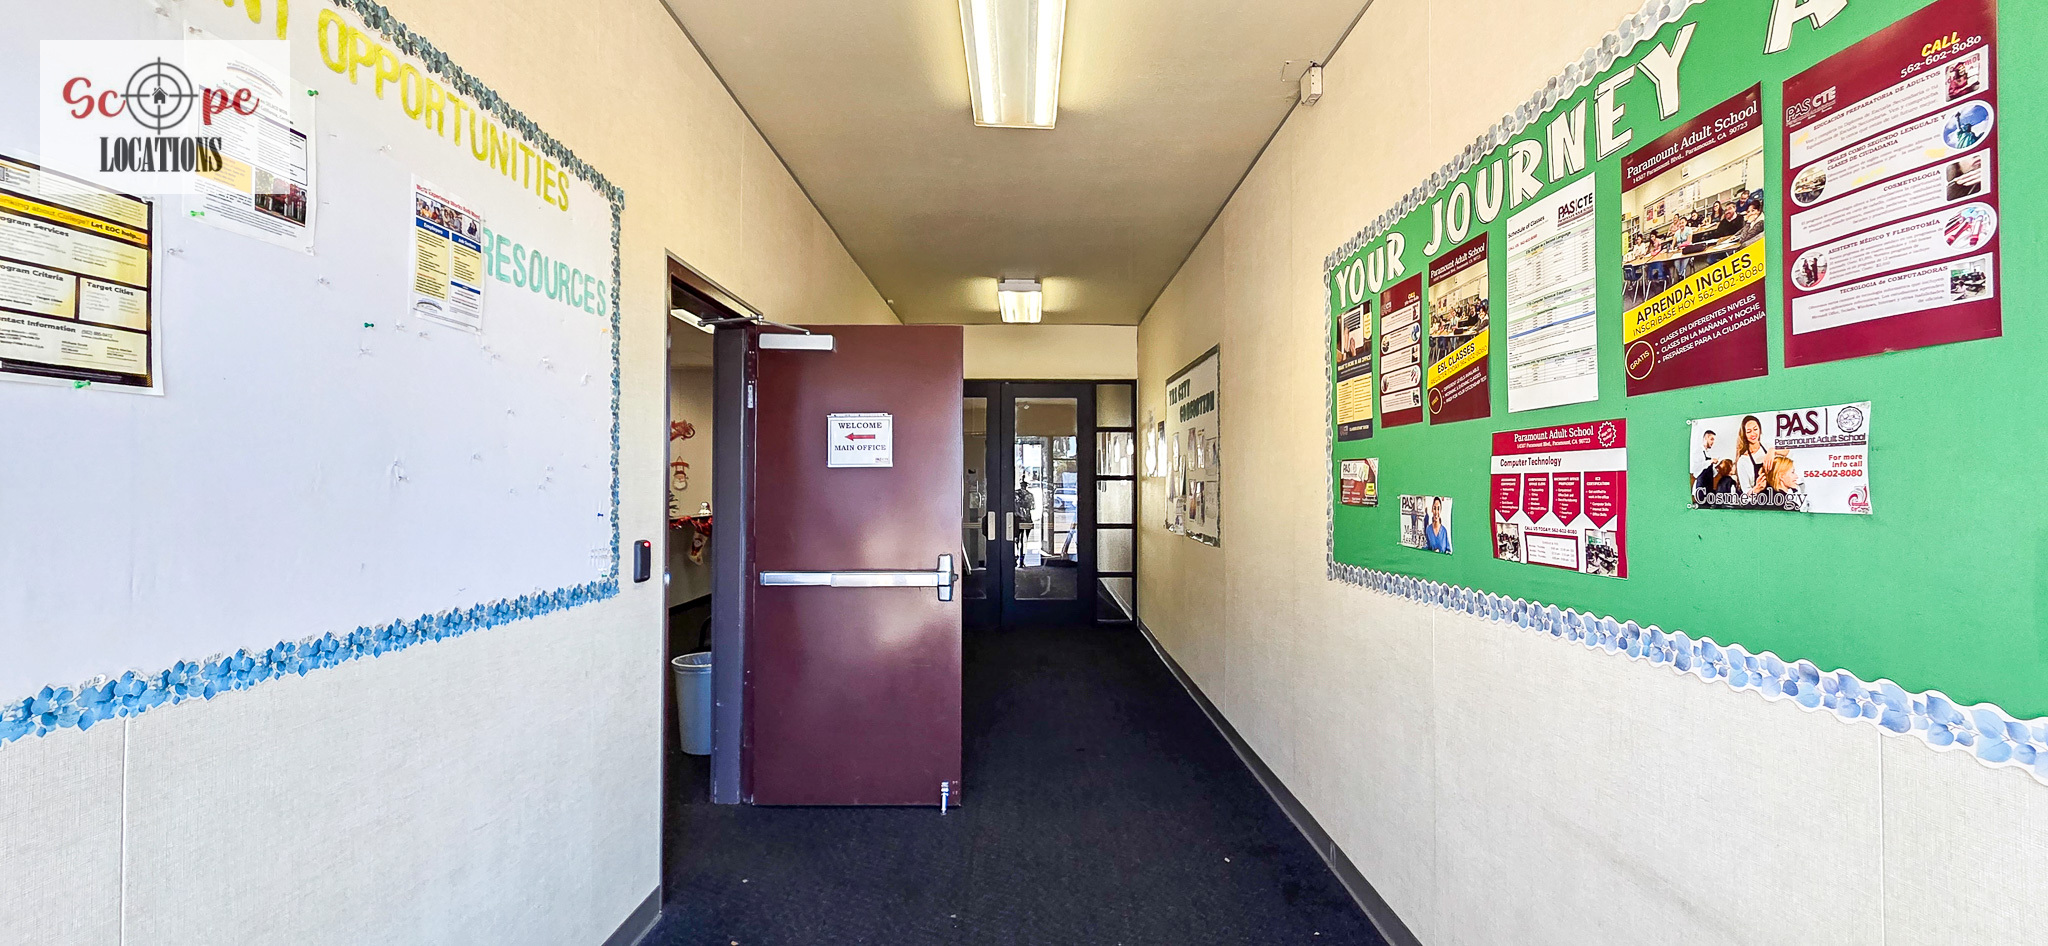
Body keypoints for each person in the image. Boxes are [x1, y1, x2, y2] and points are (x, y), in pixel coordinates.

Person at [1732, 415, 1773, 492]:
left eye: (1755, 429)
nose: (1753, 434)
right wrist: (1757, 488)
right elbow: (1746, 492)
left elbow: (1788, 451)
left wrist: (1772, 451)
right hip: (1758, 498)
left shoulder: (1768, 447)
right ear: (1745, 434)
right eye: (1749, 431)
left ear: (1760, 430)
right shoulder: (1743, 460)